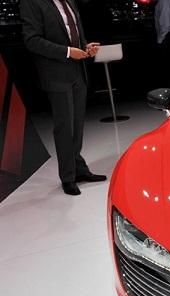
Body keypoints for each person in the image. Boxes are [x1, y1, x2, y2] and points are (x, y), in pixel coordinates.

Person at [20, 0, 105, 196]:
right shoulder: (31, 2)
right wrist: (67, 52)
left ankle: (79, 169)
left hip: (78, 72)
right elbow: (32, 40)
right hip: (56, 75)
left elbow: (72, 34)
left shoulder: (69, 1)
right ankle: (68, 177)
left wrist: (85, 47)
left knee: (77, 126)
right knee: (65, 127)